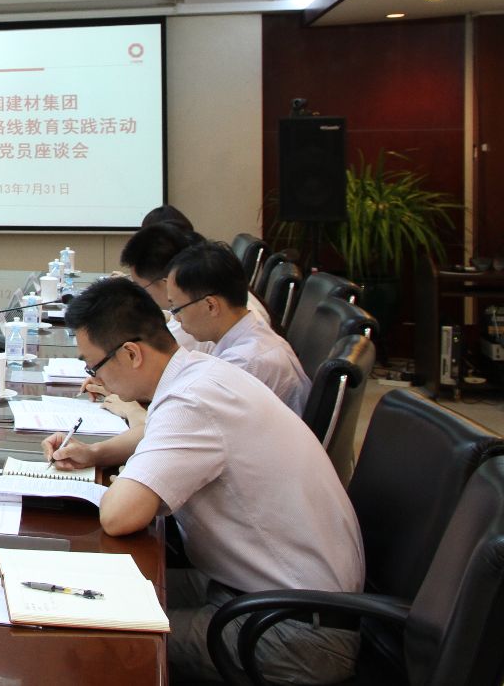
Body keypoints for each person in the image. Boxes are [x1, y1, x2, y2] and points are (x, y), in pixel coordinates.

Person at [45, 278, 362, 684]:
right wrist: (96, 455)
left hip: (292, 630)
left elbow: (119, 516)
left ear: (130, 353)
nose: (96, 379)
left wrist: (122, 479)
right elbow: (159, 433)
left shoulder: (191, 401)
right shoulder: (201, 373)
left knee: (100, 637)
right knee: (88, 591)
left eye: (94, 366)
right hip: (268, 592)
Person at [165, 241, 310, 413]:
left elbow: (189, 416)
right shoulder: (251, 335)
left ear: (211, 305)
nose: (177, 318)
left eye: (177, 309)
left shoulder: (243, 362)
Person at [119, 222, 272, 331]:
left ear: (167, 282)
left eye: (140, 288)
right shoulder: (213, 286)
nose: (138, 296)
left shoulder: (193, 323)